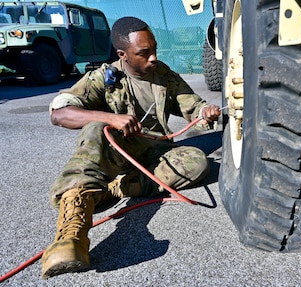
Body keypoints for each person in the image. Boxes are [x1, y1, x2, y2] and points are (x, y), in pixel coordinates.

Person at [41, 16, 221, 279]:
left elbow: (190, 104)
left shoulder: (164, 75)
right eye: (144, 53)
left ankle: (117, 189)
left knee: (197, 160)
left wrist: (204, 111)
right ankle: (71, 236)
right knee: (95, 128)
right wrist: (110, 118)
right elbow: (59, 113)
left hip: (153, 153)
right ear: (123, 55)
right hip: (117, 152)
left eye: (155, 50)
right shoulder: (103, 78)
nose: (153, 58)